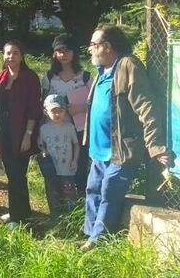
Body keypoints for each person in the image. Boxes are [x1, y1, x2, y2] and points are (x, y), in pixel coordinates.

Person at [81, 26, 170, 250]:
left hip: (121, 150)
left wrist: (155, 145)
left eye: (93, 45)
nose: (90, 50)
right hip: (99, 150)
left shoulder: (128, 65)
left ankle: (97, 241)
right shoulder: (101, 71)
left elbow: (147, 107)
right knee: (92, 190)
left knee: (108, 191)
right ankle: (90, 233)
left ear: (107, 47)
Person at [0, 40, 41, 229]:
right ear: (4, 56)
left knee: (17, 174)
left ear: (21, 56)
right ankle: (23, 211)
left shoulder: (30, 77)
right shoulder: (1, 77)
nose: (11, 56)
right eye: (8, 53)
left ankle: (16, 218)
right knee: (14, 175)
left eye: (15, 53)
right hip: (4, 133)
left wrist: (28, 135)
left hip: (22, 133)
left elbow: (34, 109)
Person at [41, 33, 93, 194]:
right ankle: (60, 200)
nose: (63, 55)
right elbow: (42, 103)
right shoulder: (49, 77)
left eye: (67, 50)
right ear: (54, 54)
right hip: (56, 129)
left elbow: (96, 103)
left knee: (80, 164)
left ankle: (81, 200)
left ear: (74, 53)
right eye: (59, 51)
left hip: (79, 129)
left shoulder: (85, 77)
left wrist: (81, 108)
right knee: (58, 165)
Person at [37, 94, 79, 216]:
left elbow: (76, 144)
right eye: (53, 111)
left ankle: (71, 217)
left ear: (65, 111)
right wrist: (43, 151)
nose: (57, 114)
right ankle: (55, 216)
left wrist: (75, 161)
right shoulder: (44, 129)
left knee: (69, 194)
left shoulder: (70, 127)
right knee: (52, 192)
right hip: (51, 169)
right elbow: (40, 143)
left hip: (67, 169)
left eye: (60, 111)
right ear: (46, 112)